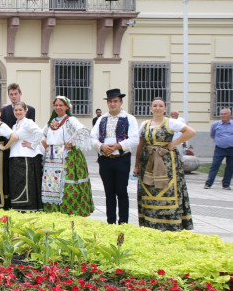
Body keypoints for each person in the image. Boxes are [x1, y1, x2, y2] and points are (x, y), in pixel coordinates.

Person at [134, 97, 196, 231]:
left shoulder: (171, 122)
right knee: (149, 190)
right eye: (155, 105)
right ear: (150, 108)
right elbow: (141, 144)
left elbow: (191, 131)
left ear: (165, 108)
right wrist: (136, 165)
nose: (157, 108)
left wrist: (174, 143)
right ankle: (149, 223)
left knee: (167, 190)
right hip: (147, 161)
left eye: (160, 106)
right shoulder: (144, 124)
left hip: (166, 162)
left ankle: (170, 224)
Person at [90, 88, 140, 224]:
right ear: (108, 103)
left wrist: (118, 146)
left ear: (121, 102)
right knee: (109, 193)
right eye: (110, 101)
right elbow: (92, 137)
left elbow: (135, 139)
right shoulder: (102, 119)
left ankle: (123, 222)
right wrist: (101, 146)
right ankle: (110, 222)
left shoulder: (129, 119)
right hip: (105, 160)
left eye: (115, 101)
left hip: (121, 159)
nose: (113, 104)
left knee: (122, 192)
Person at [41, 96, 94, 216]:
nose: (58, 107)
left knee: (66, 186)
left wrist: (71, 141)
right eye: (56, 105)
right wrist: (45, 143)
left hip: (66, 157)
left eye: (61, 105)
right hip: (51, 159)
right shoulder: (52, 121)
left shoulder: (71, 120)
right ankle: (52, 212)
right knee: (51, 186)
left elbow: (82, 130)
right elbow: (42, 135)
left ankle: (69, 212)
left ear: (67, 107)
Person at [4, 101, 43, 211]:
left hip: (26, 157)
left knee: (25, 183)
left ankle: (28, 208)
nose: (18, 112)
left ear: (26, 111)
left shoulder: (28, 122)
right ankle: (17, 207)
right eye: (16, 110)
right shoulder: (15, 125)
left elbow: (39, 133)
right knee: (17, 183)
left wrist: (33, 145)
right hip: (15, 156)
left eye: (20, 110)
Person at [205, 108, 233, 189]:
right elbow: (212, 135)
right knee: (215, 165)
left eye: (225, 114)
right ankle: (208, 183)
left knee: (230, 167)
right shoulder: (215, 124)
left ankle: (226, 184)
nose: (223, 115)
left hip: (231, 149)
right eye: (222, 114)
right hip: (219, 149)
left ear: (230, 115)